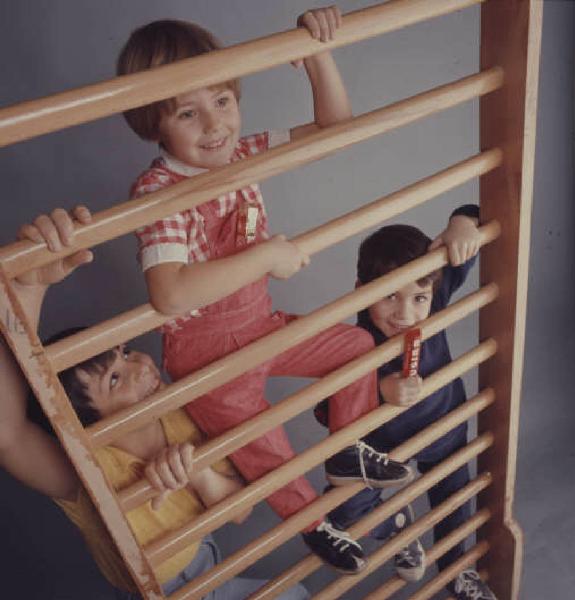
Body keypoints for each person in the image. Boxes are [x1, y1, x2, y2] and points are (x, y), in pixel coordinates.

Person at [118, 7, 412, 573]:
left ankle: (347, 454)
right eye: (188, 111)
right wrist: (266, 255)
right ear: (154, 124)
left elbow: (333, 132)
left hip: (260, 324)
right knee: (267, 444)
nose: (214, 125)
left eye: (223, 100)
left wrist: (317, 56)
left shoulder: (242, 152)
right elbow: (171, 294)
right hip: (207, 356)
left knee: (354, 349)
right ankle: (314, 523)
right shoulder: (156, 190)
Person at [0, 207, 309, 600]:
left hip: (209, 566)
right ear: (86, 423)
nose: (138, 366)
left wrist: (197, 473)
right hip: (156, 593)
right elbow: (7, 434)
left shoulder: (182, 413)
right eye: (114, 379)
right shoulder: (88, 466)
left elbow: (240, 510)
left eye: (126, 353)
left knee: (296, 593)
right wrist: (27, 289)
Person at [318, 205, 497, 598]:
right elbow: (326, 409)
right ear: (361, 288)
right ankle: (398, 528)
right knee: (343, 512)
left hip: (444, 429)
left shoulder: (436, 290)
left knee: (454, 508)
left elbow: (477, 214)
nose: (405, 314)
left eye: (418, 298)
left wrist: (461, 224)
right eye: (389, 298)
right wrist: (378, 389)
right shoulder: (352, 343)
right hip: (382, 447)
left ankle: (458, 572)